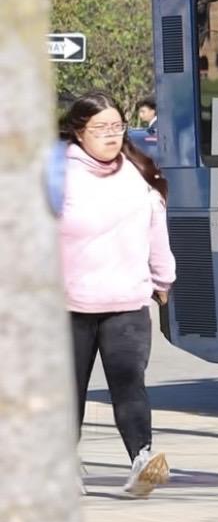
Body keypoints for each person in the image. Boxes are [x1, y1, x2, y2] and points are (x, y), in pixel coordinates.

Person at [59, 92, 175, 498]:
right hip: (66, 307)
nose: (111, 135)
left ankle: (143, 459)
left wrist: (163, 280)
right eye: (100, 128)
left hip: (126, 303)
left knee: (130, 385)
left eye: (117, 127)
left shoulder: (136, 172)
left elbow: (156, 231)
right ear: (78, 132)